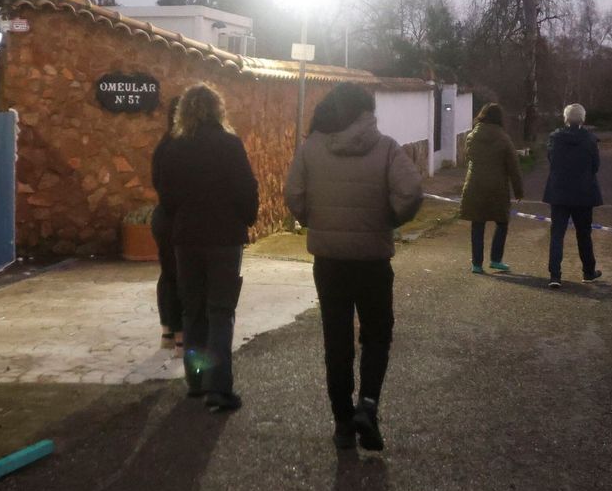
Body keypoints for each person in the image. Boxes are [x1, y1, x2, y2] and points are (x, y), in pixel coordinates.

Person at [286, 82, 423, 451]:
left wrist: (314, 219)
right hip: (373, 260)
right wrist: (391, 220)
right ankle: (369, 404)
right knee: (377, 334)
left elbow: (293, 195)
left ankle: (342, 422)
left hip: (329, 261)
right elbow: (410, 192)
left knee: (337, 337)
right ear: (366, 111)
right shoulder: (386, 148)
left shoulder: (311, 147)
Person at [152, 83, 258, 412]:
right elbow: (246, 189)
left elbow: (165, 196)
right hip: (224, 239)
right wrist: (246, 219)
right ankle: (219, 389)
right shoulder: (229, 144)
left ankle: (197, 381)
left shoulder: (173, 148)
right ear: (218, 109)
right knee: (221, 313)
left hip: (186, 239)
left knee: (193, 311)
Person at [543, 102, 603, 289]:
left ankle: (555, 275)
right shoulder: (590, 140)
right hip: (584, 192)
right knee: (584, 233)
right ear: (583, 119)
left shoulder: (554, 138)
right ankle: (588, 271)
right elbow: (596, 166)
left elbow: (551, 160)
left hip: (559, 191)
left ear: (565, 118)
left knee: (557, 234)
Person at [459, 103, 523, 274]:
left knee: (477, 224)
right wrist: (518, 190)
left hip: (474, 184)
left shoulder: (472, 136)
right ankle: (496, 259)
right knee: (502, 222)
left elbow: (468, 157)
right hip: (497, 187)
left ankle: (477, 264)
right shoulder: (503, 138)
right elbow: (513, 166)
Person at [150, 96, 183, 347]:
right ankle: (181, 335)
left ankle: (167, 333)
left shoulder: (163, 144)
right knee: (182, 276)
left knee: (168, 274)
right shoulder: (183, 146)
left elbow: (158, 183)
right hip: (179, 219)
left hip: (163, 217)